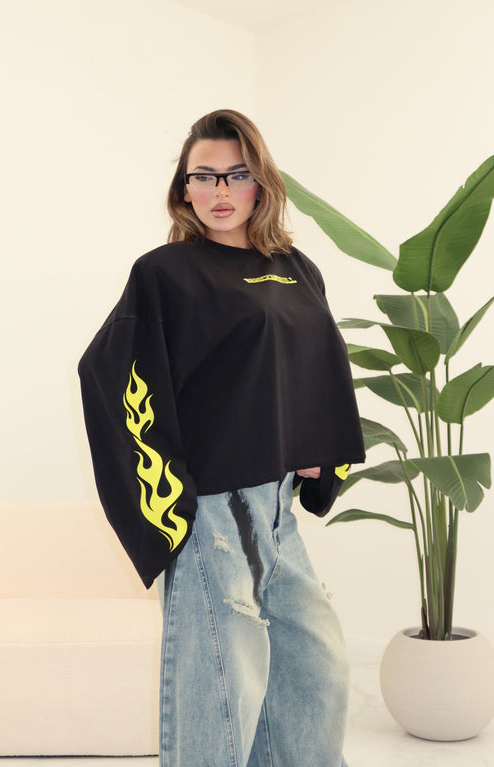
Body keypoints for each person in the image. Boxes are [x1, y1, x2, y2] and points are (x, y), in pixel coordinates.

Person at [78, 109, 365, 767]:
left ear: (260, 182)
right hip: (212, 509)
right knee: (220, 689)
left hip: (277, 507)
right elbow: (111, 372)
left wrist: (318, 451)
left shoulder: (297, 268)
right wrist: (171, 493)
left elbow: (317, 364)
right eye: (202, 176)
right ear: (184, 188)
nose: (220, 190)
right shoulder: (165, 273)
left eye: (236, 174)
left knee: (316, 665)